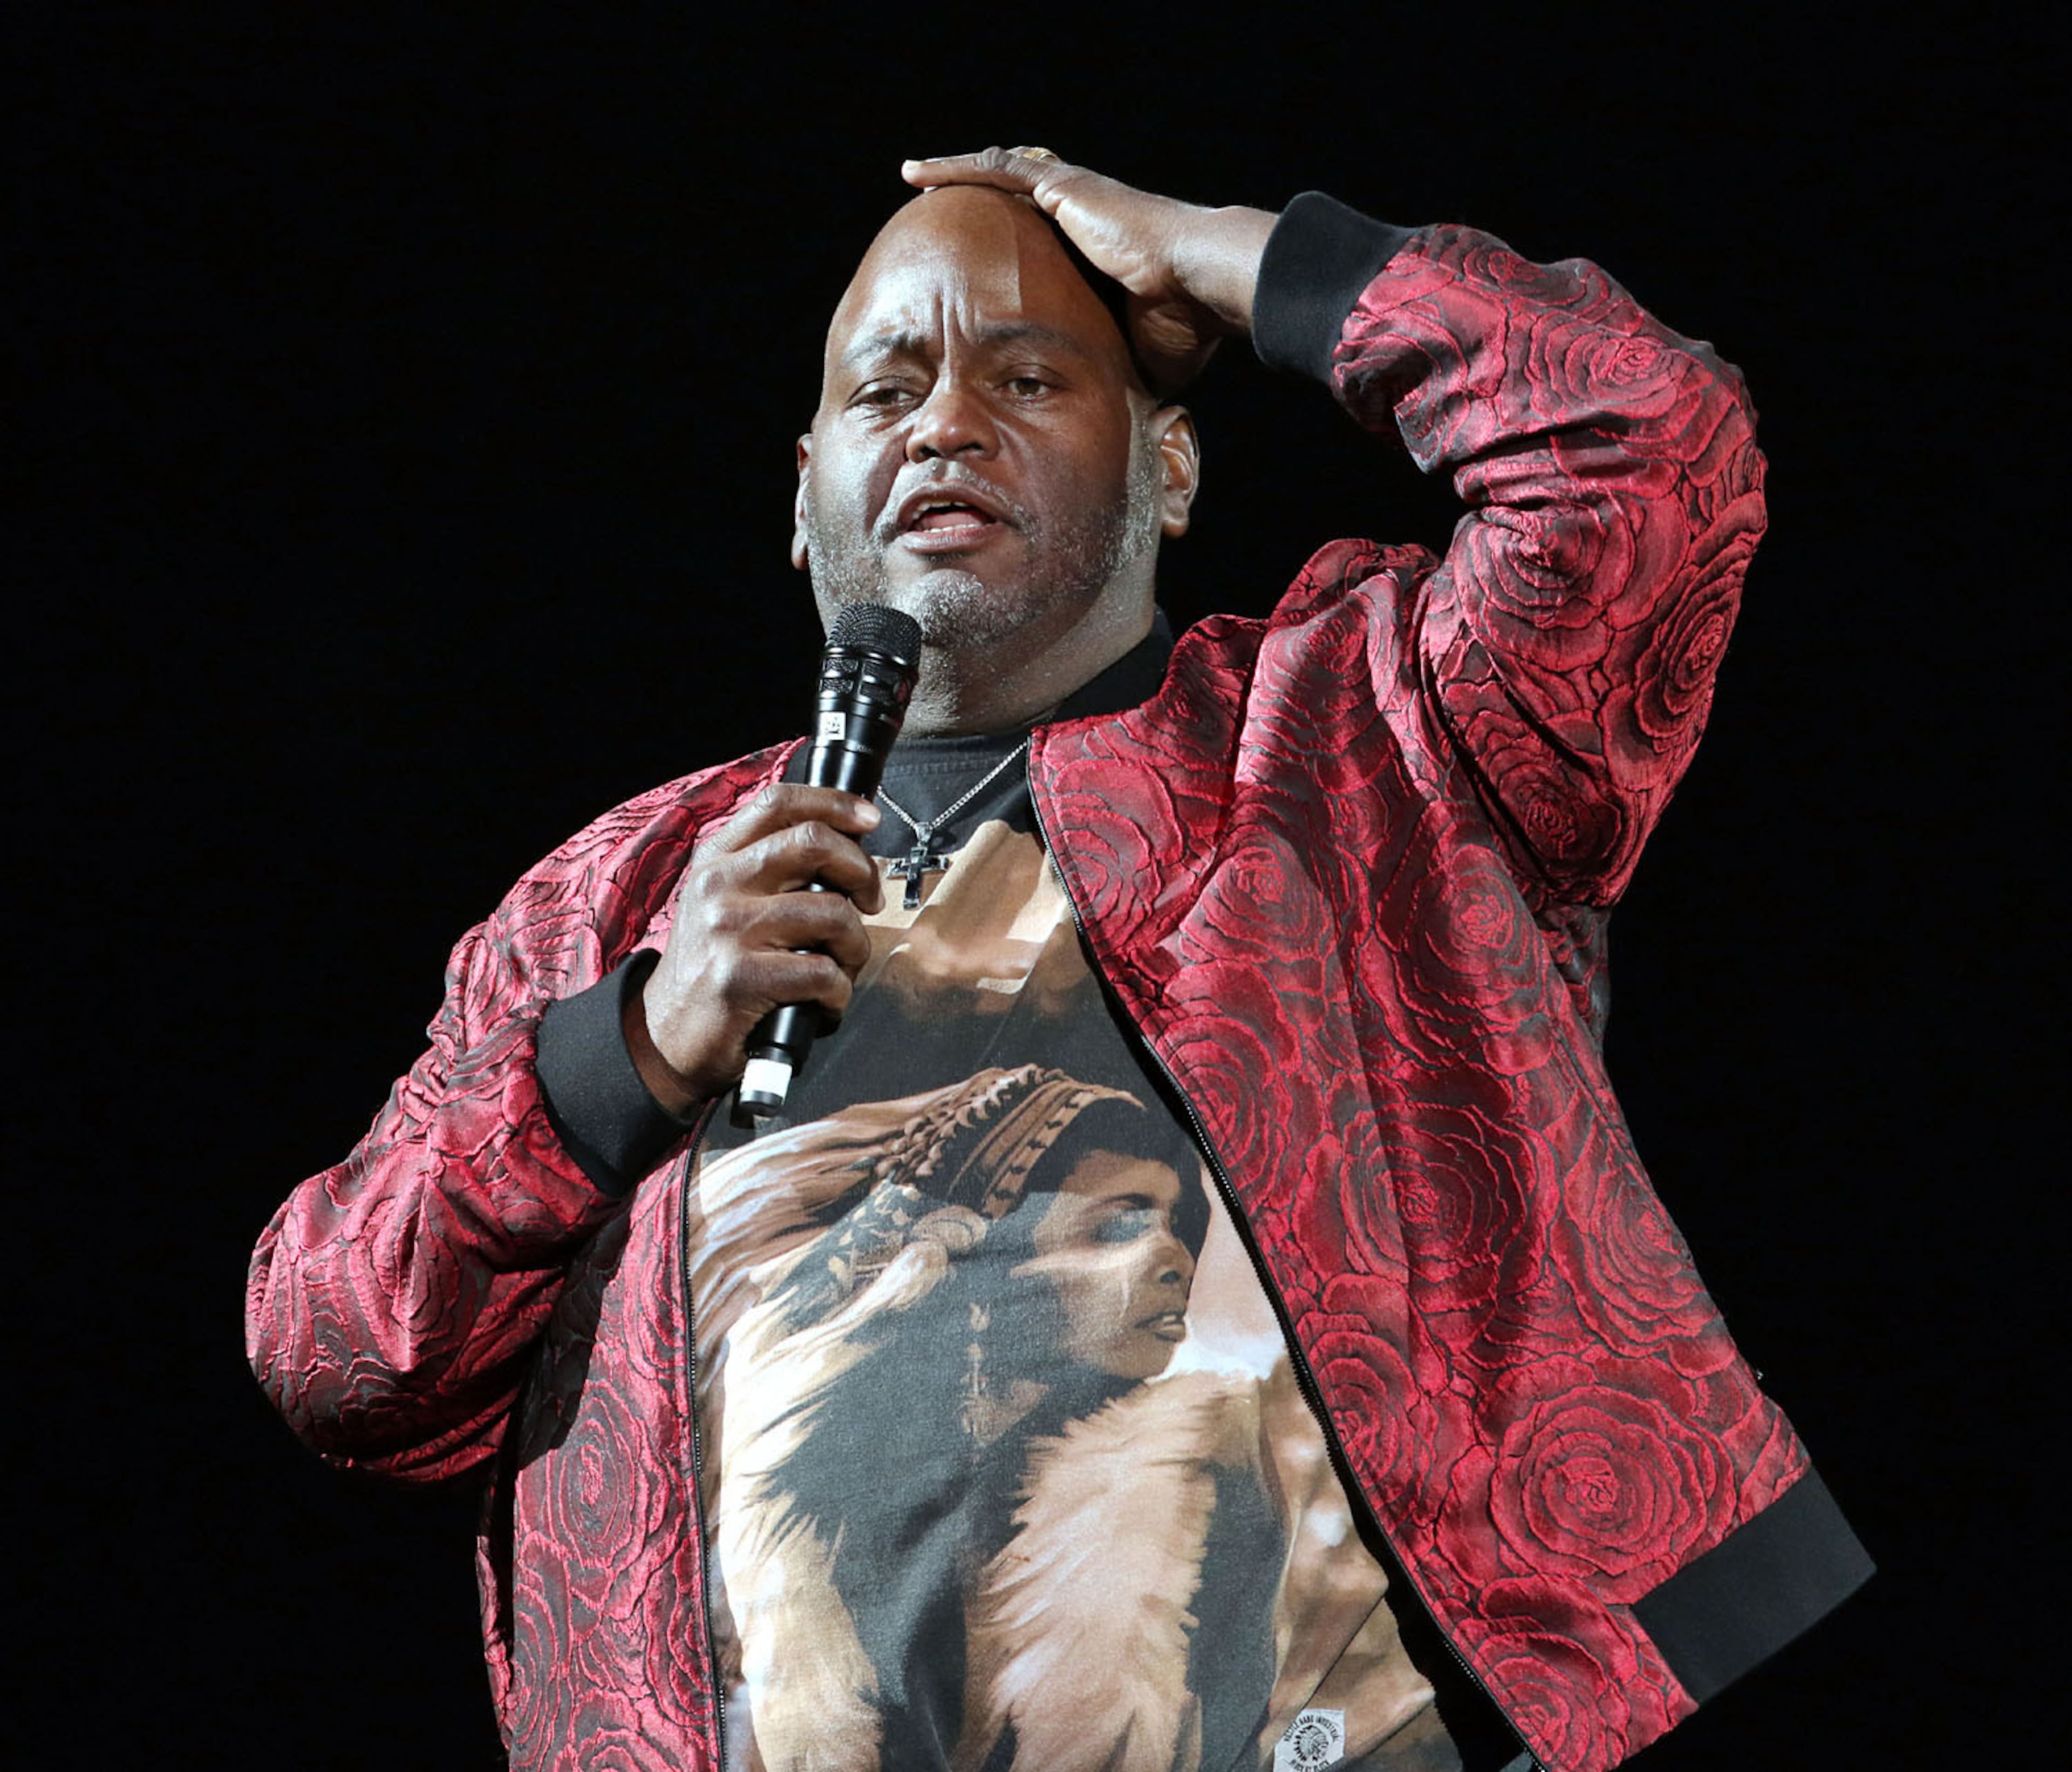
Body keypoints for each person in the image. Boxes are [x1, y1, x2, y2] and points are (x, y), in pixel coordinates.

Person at [247, 147, 1871, 1772]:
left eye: (1026, 374)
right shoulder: (614, 899)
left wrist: (1225, 256)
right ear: (805, 502)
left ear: (1169, 469)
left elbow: (1650, 444)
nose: (945, 421)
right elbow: (332, 1347)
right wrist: (635, 1045)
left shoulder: (1363, 733)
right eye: (889, 388)